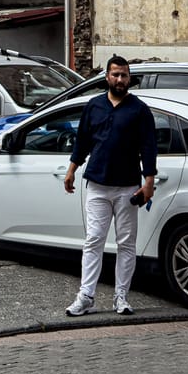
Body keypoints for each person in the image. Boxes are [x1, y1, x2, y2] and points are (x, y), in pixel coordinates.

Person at [62, 57, 158, 317]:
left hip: (127, 187)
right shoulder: (94, 106)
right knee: (94, 240)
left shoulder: (139, 110)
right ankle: (86, 296)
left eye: (124, 76)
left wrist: (148, 182)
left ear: (129, 79)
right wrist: (71, 170)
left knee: (126, 243)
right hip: (97, 184)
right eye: (115, 75)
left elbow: (149, 148)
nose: (120, 80)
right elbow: (82, 141)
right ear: (107, 76)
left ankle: (121, 297)